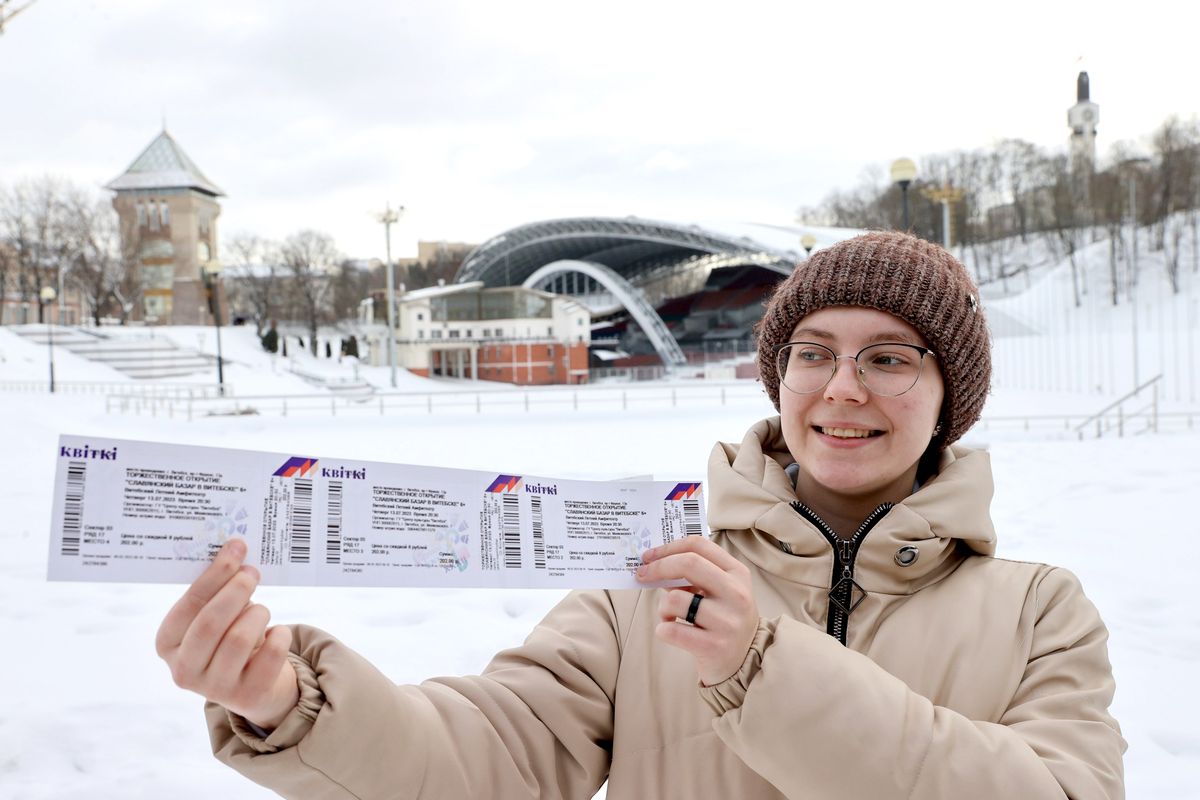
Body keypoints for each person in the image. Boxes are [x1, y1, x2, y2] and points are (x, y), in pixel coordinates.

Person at [156, 231, 1125, 799]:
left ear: (949, 391)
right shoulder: (655, 571)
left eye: (890, 356)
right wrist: (296, 699)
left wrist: (764, 665)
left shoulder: (1039, 609)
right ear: (778, 374)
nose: (842, 388)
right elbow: (498, 749)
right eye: (813, 351)